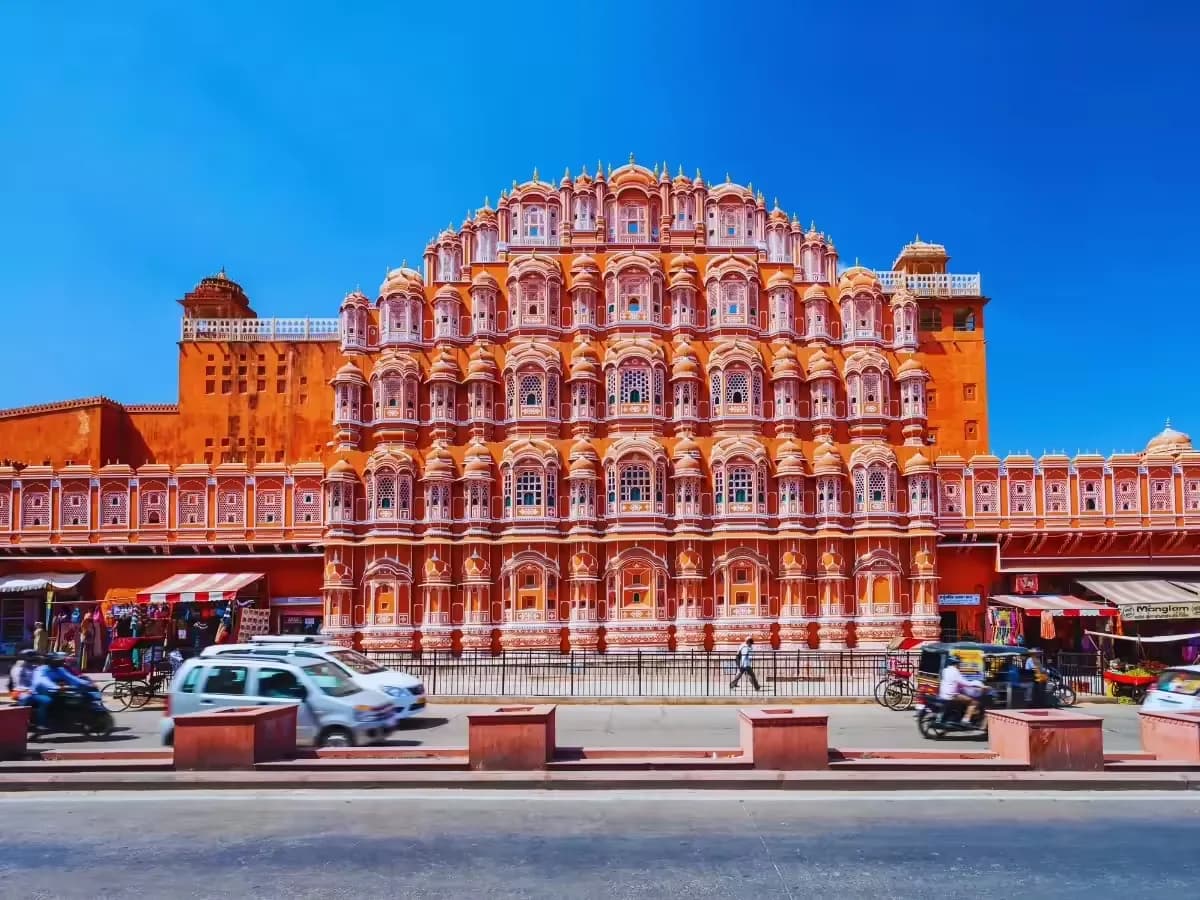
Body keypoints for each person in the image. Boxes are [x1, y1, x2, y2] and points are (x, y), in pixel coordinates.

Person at [29, 652, 92, 731]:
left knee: (73, 698)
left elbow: (71, 678)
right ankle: (41, 724)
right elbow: (42, 680)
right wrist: (55, 687)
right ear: (50, 661)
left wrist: (87, 684)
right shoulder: (41, 670)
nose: (60, 663)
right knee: (47, 701)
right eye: (57, 661)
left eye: (60, 661)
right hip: (39, 693)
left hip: (56, 692)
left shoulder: (60, 669)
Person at [937, 653, 979, 724]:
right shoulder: (955, 672)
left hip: (942, 694)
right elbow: (965, 683)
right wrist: (976, 684)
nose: (960, 666)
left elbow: (951, 682)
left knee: (961, 700)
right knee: (973, 702)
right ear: (957, 664)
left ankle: (957, 717)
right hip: (951, 696)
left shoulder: (945, 670)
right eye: (960, 664)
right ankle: (965, 720)